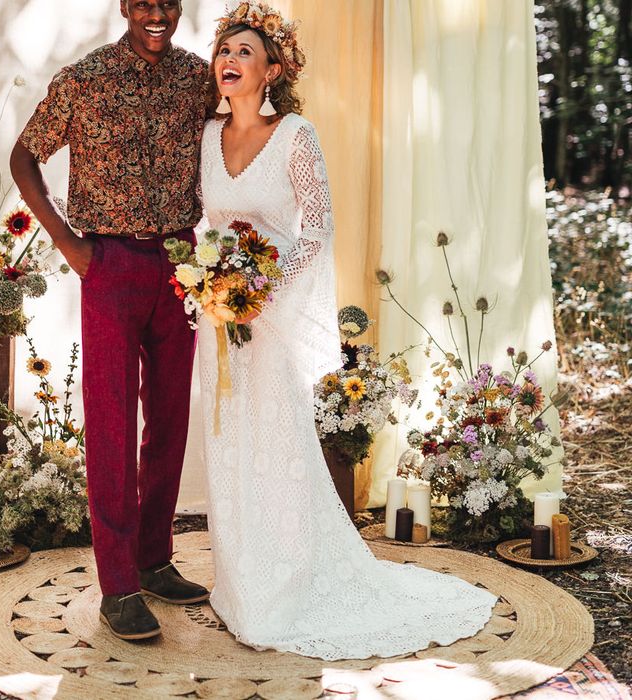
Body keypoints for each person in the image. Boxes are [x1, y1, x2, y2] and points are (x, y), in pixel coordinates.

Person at [197, 2, 498, 660]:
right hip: (218, 322)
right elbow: (203, 224)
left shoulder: (296, 134)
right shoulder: (204, 136)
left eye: (245, 52)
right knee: (227, 446)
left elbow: (318, 226)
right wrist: (210, 285)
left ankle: (286, 586)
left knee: (277, 447)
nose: (230, 60)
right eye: (225, 50)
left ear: (272, 70)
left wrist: (263, 291)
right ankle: (239, 583)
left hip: (268, 319)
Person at [9, 0, 210, 641]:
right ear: (125, 8)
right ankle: (118, 585)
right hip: (111, 264)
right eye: (144, 3)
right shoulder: (84, 79)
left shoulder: (199, 77)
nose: (158, 14)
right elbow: (23, 155)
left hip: (181, 262)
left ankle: (154, 560)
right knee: (113, 422)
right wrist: (69, 242)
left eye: (168, 4)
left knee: (172, 417)